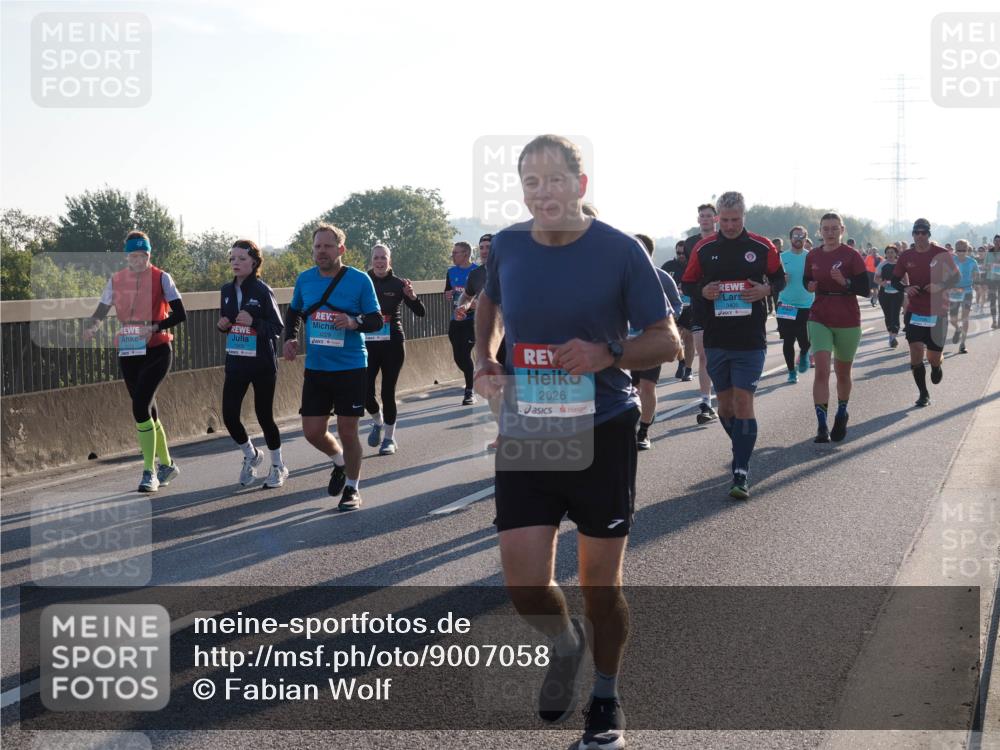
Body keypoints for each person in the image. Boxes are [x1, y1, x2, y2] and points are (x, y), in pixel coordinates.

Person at [474, 134, 679, 750]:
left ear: (580, 185)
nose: (543, 192)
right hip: (531, 427)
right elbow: (490, 301)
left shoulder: (618, 250)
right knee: (524, 586)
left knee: (600, 586)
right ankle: (566, 645)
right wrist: (483, 358)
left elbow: (666, 340)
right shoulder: (508, 244)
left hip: (602, 429)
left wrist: (606, 352)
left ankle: (606, 695)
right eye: (531, 182)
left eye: (555, 180)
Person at [681, 191, 785, 499]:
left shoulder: (761, 246)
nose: (728, 226)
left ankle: (740, 471)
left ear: (744, 217)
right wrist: (705, 290)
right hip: (716, 338)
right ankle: (741, 444)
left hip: (750, 339)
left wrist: (766, 289)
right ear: (716, 219)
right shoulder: (704, 247)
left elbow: (779, 279)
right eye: (724, 220)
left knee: (743, 403)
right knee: (725, 407)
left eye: (735, 220)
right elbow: (687, 284)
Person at [282, 224, 383, 510]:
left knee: (348, 430)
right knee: (312, 431)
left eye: (327, 246)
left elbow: (375, 319)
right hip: (317, 366)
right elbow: (295, 312)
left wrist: (353, 323)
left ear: (341, 249)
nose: (321, 251)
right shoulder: (305, 280)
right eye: (317, 247)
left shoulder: (359, 280)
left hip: (351, 366)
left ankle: (352, 488)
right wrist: (290, 338)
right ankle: (339, 461)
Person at [82, 231, 186, 492]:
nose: (138, 260)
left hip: (158, 350)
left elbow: (180, 314)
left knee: (140, 408)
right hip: (129, 352)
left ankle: (149, 472)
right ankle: (168, 464)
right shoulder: (116, 280)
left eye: (143, 255)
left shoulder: (162, 278)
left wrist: (154, 326)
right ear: (126, 256)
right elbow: (101, 311)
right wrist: (91, 327)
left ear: (149, 255)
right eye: (133, 256)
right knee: (148, 411)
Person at [217, 240, 288, 487]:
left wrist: (255, 322)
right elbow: (227, 322)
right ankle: (251, 455)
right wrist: (222, 325)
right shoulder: (226, 290)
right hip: (236, 361)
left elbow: (277, 327)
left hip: (261, 364)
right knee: (229, 416)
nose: (236, 263)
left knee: (264, 416)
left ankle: (278, 465)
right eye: (232, 258)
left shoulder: (261, 290)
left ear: (254, 262)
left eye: (242, 258)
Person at [803, 213, 870, 443]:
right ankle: (821, 425)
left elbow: (865, 288)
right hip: (819, 314)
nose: (830, 233)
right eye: (825, 228)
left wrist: (846, 282)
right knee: (822, 370)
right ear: (819, 231)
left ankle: (842, 412)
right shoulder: (812, 255)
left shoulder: (851, 256)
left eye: (834, 228)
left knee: (842, 373)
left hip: (847, 317)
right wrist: (809, 285)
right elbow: (807, 279)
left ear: (842, 230)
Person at [892, 219, 961, 407]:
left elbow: (956, 277)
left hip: (938, 311)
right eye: (917, 232)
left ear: (929, 235)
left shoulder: (941, 254)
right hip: (915, 311)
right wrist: (906, 288)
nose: (920, 235)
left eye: (924, 232)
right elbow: (895, 280)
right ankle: (923, 394)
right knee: (915, 351)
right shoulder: (906, 256)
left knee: (933, 357)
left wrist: (940, 286)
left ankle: (937, 366)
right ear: (913, 234)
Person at [365, 243, 426, 455]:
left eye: (383, 258)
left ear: (389, 260)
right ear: (371, 260)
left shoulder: (399, 283)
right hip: (367, 345)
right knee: (365, 392)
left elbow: (420, 312)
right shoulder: (363, 281)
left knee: (387, 392)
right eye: (376, 258)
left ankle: (389, 439)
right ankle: (378, 420)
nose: (380, 261)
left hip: (392, 343)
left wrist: (412, 296)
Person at [633, 233, 684, 450]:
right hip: (626, 344)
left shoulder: (662, 278)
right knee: (631, 389)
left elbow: (677, 304)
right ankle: (637, 420)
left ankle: (643, 432)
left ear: (648, 253)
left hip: (652, 342)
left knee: (647, 386)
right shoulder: (618, 276)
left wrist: (666, 324)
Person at [456, 234, 504, 450]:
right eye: (482, 247)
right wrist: (462, 307)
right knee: (491, 388)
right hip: (488, 339)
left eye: (489, 247)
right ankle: (503, 432)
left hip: (513, 337)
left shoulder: (509, 269)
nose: (485, 251)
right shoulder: (475, 274)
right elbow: (466, 296)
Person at [677, 203, 720, 425]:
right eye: (701, 216)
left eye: (708, 216)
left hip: (723, 305)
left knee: (723, 355)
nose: (705, 219)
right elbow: (688, 279)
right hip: (700, 305)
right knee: (704, 355)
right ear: (698, 219)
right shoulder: (691, 244)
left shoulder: (724, 240)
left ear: (716, 218)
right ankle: (706, 403)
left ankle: (725, 394)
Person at [775, 226, 814, 384]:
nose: (798, 238)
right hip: (786, 305)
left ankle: (804, 354)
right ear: (790, 238)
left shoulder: (811, 257)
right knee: (788, 340)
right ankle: (792, 372)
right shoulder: (781, 257)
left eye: (801, 236)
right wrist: (780, 280)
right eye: (795, 236)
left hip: (807, 304)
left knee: (806, 340)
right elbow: (771, 279)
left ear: (806, 238)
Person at [444, 241, 479, 405]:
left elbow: (488, 295)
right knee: (458, 358)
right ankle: (472, 375)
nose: (453, 255)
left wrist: (475, 303)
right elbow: (447, 291)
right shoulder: (451, 272)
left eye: (456, 252)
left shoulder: (478, 272)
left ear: (466, 254)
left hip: (473, 320)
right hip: (456, 319)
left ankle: (469, 391)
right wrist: (449, 294)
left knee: (465, 354)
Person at [661, 241, 694, 381]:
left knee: (689, 337)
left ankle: (688, 369)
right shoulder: (668, 267)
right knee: (675, 338)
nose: (681, 256)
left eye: (683, 253)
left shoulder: (694, 266)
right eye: (678, 253)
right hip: (673, 308)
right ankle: (681, 360)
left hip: (690, 308)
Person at [948, 239, 980, 354]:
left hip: (967, 291)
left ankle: (962, 344)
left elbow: (976, 275)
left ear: (967, 250)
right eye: (959, 250)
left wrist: (976, 283)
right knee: (953, 319)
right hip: (954, 292)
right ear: (956, 250)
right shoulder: (951, 260)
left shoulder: (972, 262)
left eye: (963, 250)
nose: (961, 252)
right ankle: (957, 328)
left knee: (965, 317)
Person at [876, 246, 903, 348]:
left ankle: (893, 337)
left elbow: (906, 279)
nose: (890, 254)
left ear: (896, 254)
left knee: (895, 314)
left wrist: (904, 285)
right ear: (885, 254)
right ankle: (890, 334)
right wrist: (881, 283)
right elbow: (876, 278)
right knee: (888, 315)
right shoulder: (882, 264)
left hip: (897, 293)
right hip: (884, 294)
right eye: (888, 252)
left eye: (892, 252)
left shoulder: (900, 265)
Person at [986, 234, 1000, 329]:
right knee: (992, 300)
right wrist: (991, 265)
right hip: (991, 279)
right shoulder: (989, 253)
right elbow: (985, 266)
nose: (997, 242)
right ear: (993, 241)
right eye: (996, 241)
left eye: (999, 241)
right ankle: (994, 321)